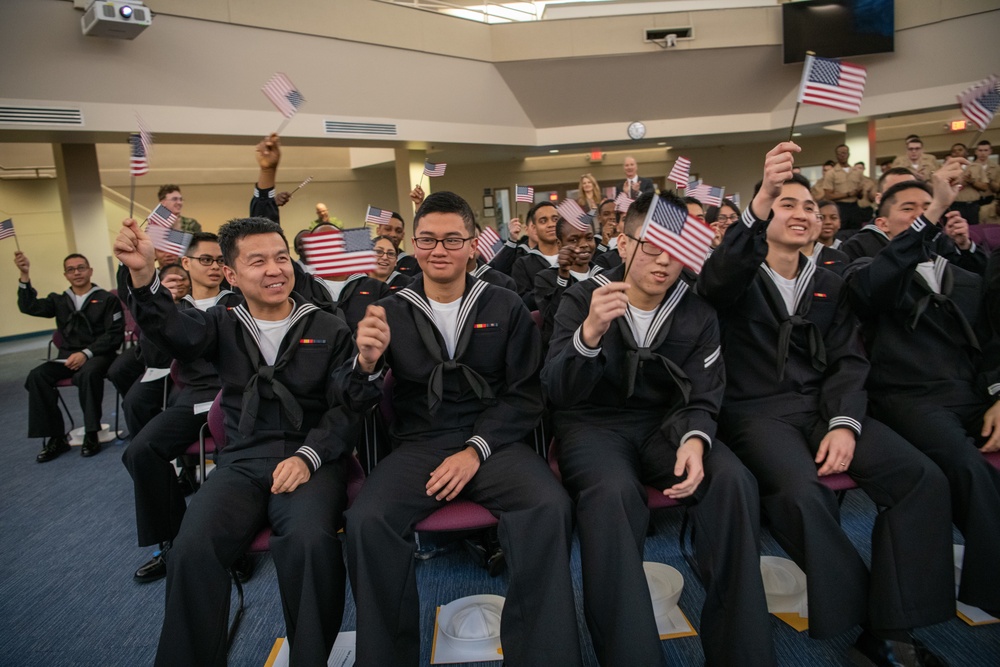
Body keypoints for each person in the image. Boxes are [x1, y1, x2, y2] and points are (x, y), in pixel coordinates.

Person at [699, 143, 955, 665]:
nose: (802, 214)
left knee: (920, 478)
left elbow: (848, 361)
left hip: (823, 409)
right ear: (767, 213)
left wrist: (843, 423)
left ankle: (889, 627)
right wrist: (762, 196)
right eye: (787, 205)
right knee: (801, 495)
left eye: (811, 208)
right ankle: (868, 610)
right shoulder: (735, 279)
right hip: (758, 413)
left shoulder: (830, 283)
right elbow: (719, 274)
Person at [343, 191, 582, 667]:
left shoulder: (505, 303)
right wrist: (366, 363)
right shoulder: (391, 309)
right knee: (367, 521)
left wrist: (475, 450)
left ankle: (544, 655)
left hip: (490, 440)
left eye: (453, 239)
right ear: (414, 244)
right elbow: (355, 402)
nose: (439, 250)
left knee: (548, 504)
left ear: (473, 245)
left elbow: (525, 393)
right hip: (419, 443)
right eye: (428, 239)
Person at [114, 215, 361, 666]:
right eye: (258, 261)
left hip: (310, 458)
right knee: (191, 549)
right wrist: (143, 275)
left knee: (308, 542)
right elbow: (170, 330)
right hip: (242, 460)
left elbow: (345, 409)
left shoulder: (329, 327)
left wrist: (309, 457)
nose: (275, 269)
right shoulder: (220, 324)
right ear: (231, 274)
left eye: (281, 258)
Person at [543, 190, 775, 667]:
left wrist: (694, 438)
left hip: (666, 425)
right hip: (593, 426)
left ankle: (742, 651)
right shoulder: (582, 299)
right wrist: (588, 335)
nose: (664, 261)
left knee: (731, 480)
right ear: (623, 244)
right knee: (613, 495)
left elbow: (706, 390)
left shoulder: (696, 309)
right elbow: (556, 391)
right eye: (650, 246)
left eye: (676, 250)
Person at [845, 165, 1000, 620]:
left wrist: (997, 396)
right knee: (968, 466)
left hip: (970, 395)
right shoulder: (867, 270)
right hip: (908, 399)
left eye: (926, 206)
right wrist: (931, 212)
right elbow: (877, 286)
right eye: (908, 210)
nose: (921, 215)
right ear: (885, 223)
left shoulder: (964, 275)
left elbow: (991, 344)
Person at [121, 232, 243, 584]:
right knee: (141, 451)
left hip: (237, 394)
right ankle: (172, 542)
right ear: (186, 263)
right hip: (197, 399)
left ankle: (232, 544)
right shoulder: (173, 308)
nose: (216, 267)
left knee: (234, 455)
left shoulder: (239, 301)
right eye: (206, 260)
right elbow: (155, 359)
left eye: (221, 261)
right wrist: (164, 308)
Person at [17, 251, 124, 461]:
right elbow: (28, 306)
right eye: (71, 269)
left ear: (90, 271)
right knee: (37, 376)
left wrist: (86, 353)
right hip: (66, 358)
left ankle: (91, 433)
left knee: (88, 373)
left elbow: (114, 334)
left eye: (81, 268)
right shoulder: (58, 300)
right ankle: (57, 438)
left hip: (98, 355)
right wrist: (24, 275)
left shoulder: (107, 299)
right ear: (65, 274)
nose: (77, 273)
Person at [841, 167, 988, 275]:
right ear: (879, 199)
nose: (909, 195)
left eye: (914, 189)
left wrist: (964, 246)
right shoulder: (857, 245)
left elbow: (974, 277)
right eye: (897, 190)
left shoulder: (936, 237)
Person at [533, 216, 600, 347]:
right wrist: (563, 276)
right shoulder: (545, 278)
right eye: (574, 240)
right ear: (559, 244)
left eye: (589, 238)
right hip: (565, 348)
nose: (584, 244)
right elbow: (553, 319)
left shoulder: (604, 275)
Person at [511, 202, 561, 309]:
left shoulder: (573, 257)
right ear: (533, 228)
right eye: (543, 221)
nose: (551, 224)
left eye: (555, 219)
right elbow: (522, 302)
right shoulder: (523, 264)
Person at [820, 145, 865, 230]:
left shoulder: (857, 172)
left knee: (856, 231)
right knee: (840, 232)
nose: (842, 155)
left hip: (855, 207)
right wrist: (848, 194)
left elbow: (861, 196)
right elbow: (828, 196)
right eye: (839, 153)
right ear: (836, 155)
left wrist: (859, 192)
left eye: (844, 153)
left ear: (848, 154)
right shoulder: (831, 173)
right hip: (840, 207)